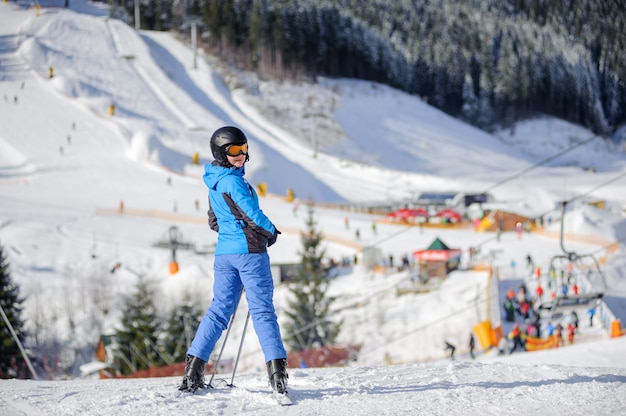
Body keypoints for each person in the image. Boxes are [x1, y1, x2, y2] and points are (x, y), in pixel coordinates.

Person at [179, 126, 288, 395]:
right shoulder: (234, 182)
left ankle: (193, 372)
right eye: (235, 151)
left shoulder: (214, 181)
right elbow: (253, 215)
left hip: (224, 254)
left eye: (244, 149)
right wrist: (271, 232)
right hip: (250, 253)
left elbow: (214, 220)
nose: (241, 155)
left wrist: (232, 233)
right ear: (221, 152)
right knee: (262, 310)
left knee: (219, 311)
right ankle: (278, 374)